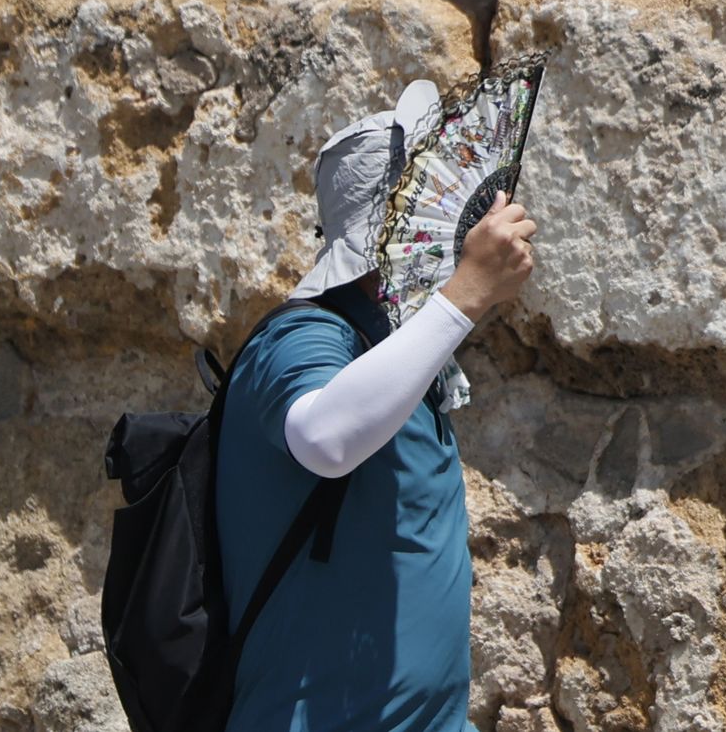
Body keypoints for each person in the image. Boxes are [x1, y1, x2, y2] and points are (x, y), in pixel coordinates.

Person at [215, 80, 538, 732]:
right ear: (396, 223)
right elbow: (325, 439)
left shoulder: (402, 354)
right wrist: (466, 292)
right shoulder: (304, 335)